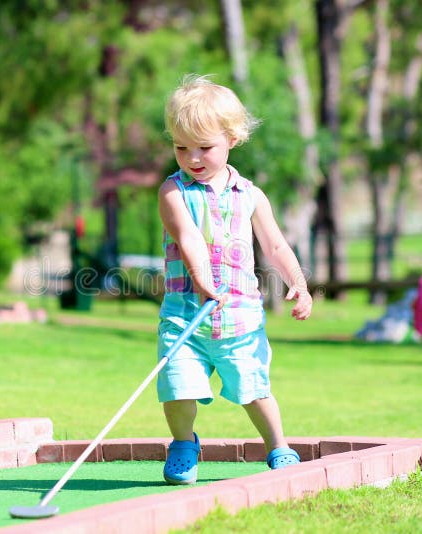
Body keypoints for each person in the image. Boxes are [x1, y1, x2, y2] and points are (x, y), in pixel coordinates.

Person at [156, 74, 313, 485]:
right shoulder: (173, 192)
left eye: (204, 148)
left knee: (254, 390)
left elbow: (276, 246)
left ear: (232, 139)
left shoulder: (251, 195)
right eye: (181, 148)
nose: (192, 158)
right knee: (177, 390)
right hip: (185, 318)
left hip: (240, 320)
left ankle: (278, 446)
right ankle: (184, 443)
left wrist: (298, 282)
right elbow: (188, 237)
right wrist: (202, 280)